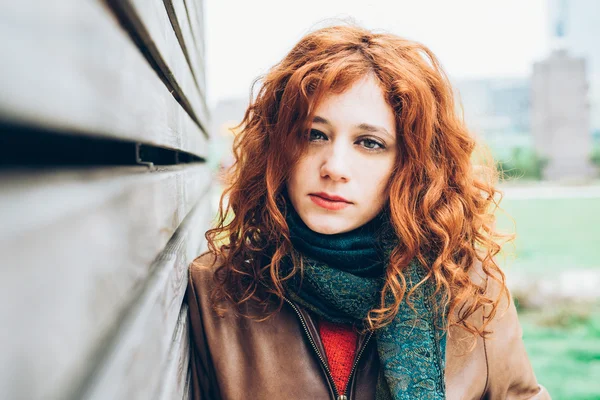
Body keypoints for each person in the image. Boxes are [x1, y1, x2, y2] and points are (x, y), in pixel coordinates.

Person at [185, 23, 551, 400]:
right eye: (315, 134)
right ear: (279, 146)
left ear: (410, 166)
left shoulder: (468, 289)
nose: (334, 166)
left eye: (370, 143)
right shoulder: (219, 290)